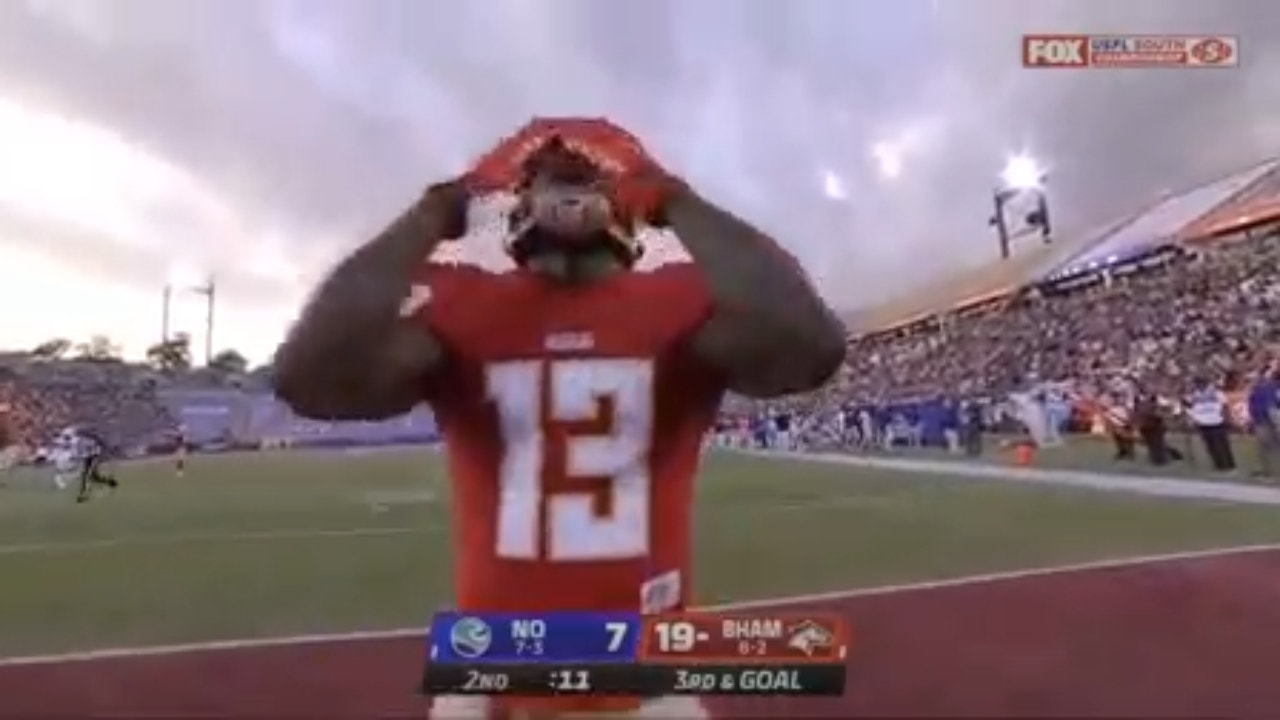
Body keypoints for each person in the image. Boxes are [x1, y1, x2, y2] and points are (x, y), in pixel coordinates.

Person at [271, 118, 846, 719]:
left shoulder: (682, 303)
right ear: (518, 198)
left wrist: (676, 200)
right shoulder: (462, 305)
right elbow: (307, 380)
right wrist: (432, 212)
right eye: (550, 176)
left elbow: (811, 349)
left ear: (627, 198)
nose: (569, 190)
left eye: (589, 176)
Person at [1188, 376, 1235, 473]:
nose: (1197, 386)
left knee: (1222, 445)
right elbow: (1193, 407)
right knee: (1211, 446)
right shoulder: (1195, 394)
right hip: (1203, 423)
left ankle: (1228, 464)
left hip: (1217, 421)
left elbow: (1224, 405)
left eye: (1199, 383)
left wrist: (1227, 418)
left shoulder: (1216, 392)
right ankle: (1219, 465)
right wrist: (1194, 419)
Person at [1246, 366, 1280, 480]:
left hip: (1267, 420)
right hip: (1261, 420)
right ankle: (1267, 471)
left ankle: (1269, 472)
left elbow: (1271, 406)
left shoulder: (1268, 387)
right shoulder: (1257, 389)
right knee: (1265, 448)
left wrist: (1275, 421)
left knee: (1267, 448)